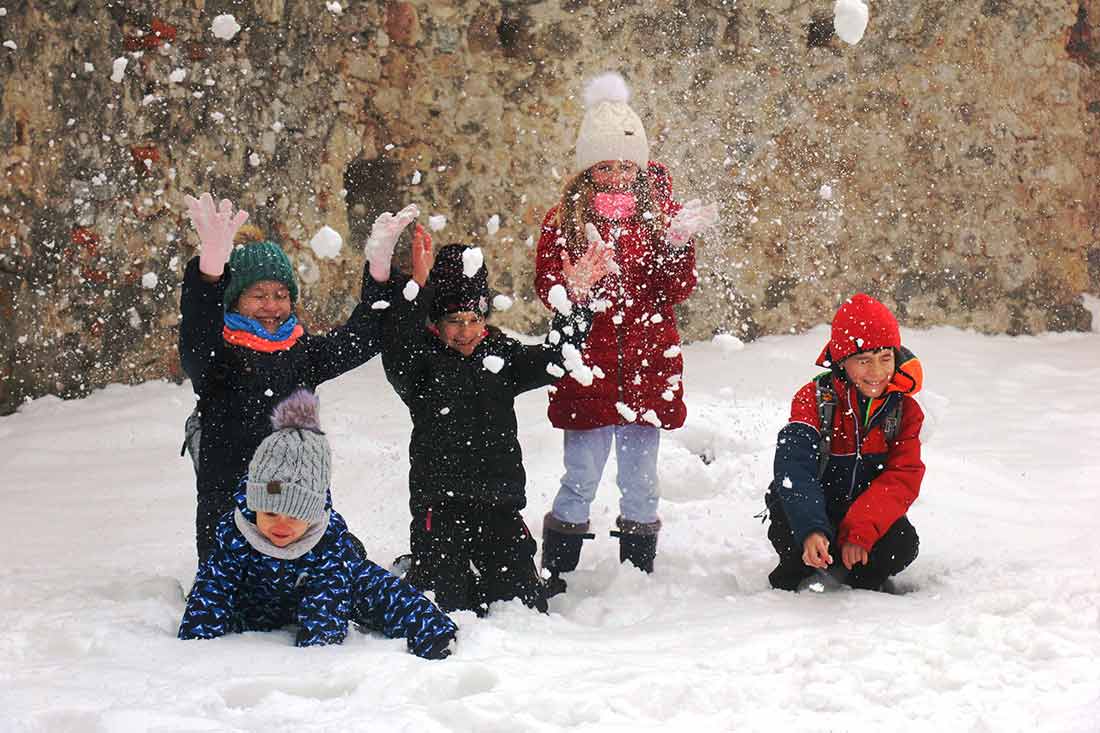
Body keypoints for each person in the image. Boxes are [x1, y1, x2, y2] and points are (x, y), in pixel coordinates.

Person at [533, 71, 719, 587]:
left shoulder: (658, 215)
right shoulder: (563, 220)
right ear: (587, 166)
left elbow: (675, 288)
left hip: (644, 364)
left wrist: (677, 246)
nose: (615, 174)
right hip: (587, 369)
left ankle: (639, 573)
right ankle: (559, 571)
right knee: (581, 477)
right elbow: (546, 283)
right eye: (604, 164)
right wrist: (571, 286)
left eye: (624, 164)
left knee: (641, 481)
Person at [376, 214, 611, 615]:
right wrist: (419, 288)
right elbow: (396, 342)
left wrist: (578, 302)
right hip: (441, 508)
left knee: (524, 605)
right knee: (447, 605)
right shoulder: (419, 365)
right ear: (437, 322)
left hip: (498, 506)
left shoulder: (499, 354)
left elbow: (556, 359)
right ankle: (419, 569)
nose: (465, 332)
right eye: (454, 321)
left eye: (474, 320)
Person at [179, 194, 408, 560]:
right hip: (231, 516)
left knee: (349, 563)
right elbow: (196, 333)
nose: (272, 306)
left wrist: (379, 272)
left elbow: (362, 337)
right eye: (258, 295)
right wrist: (209, 276)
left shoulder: (300, 353)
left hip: (297, 515)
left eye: (281, 295)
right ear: (235, 300)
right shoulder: (216, 357)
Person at [179, 389, 457, 658]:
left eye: (294, 515)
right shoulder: (236, 535)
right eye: (271, 514)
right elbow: (211, 589)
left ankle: (427, 625)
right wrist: (196, 642)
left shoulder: (328, 545)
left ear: (312, 515)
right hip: (254, 608)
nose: (281, 526)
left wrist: (316, 655)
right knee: (215, 582)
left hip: (312, 590)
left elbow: (344, 601)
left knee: (358, 579)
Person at [764, 293, 925, 592]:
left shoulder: (904, 412)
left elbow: (903, 477)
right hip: (815, 508)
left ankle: (860, 581)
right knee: (791, 531)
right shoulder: (813, 399)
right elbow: (793, 467)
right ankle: (798, 568)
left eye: (885, 359)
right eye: (864, 361)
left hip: (863, 513)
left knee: (902, 545)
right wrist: (811, 529)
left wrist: (861, 532)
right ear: (842, 362)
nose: (876, 373)